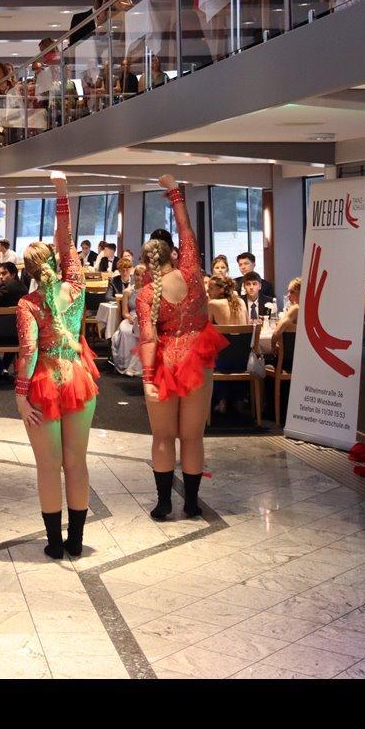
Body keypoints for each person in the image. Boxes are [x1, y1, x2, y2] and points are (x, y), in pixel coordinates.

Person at [15, 174, 99, 558]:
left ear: (28, 271)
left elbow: (29, 351)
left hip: (45, 382)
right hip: (77, 376)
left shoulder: (28, 304)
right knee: (76, 463)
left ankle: (54, 543)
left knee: (48, 467)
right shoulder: (76, 288)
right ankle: (76, 541)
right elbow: (67, 243)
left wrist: (20, 396)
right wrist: (62, 194)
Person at [136, 175, 227, 522]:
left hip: (164, 363)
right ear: (172, 255)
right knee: (193, 437)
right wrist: (175, 194)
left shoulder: (147, 294)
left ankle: (163, 504)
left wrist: (147, 377)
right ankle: (191, 503)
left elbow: (148, 338)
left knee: (162, 437)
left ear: (147, 263)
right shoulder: (191, 273)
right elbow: (187, 231)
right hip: (197, 358)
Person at [111, 264, 146, 377]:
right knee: (125, 331)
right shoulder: (128, 291)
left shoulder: (150, 290)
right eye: (137, 275)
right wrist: (130, 318)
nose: (140, 277)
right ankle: (125, 364)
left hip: (145, 318)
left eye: (142, 275)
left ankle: (140, 366)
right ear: (134, 275)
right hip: (131, 318)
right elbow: (124, 312)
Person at [269, 277, 301, 361]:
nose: (288, 295)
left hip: (290, 359)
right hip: (305, 358)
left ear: (301, 292)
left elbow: (277, 331)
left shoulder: (296, 308)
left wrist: (273, 346)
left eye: (292, 292)